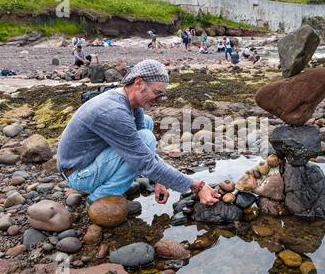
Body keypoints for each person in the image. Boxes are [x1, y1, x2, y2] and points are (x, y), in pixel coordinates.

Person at [57, 59, 221, 207]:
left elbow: (143, 153)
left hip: (87, 161)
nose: (159, 99)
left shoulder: (130, 102)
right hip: (78, 174)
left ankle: (104, 186)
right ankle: (99, 197)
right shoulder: (114, 111)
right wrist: (195, 186)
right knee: (146, 138)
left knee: (146, 126)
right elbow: (145, 161)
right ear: (139, 83)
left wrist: (159, 179)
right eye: (157, 93)